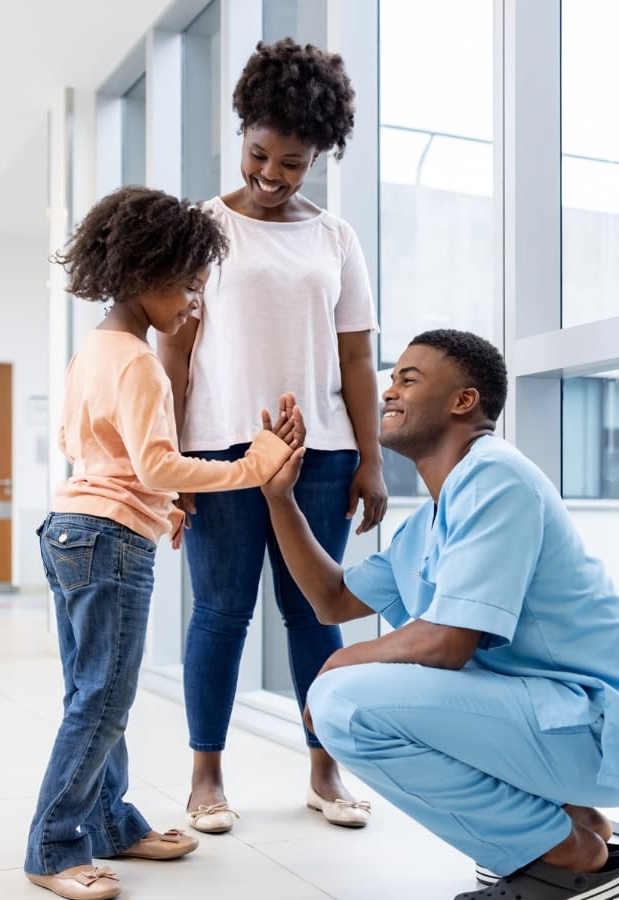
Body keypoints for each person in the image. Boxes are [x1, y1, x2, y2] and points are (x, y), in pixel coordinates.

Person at [259, 330, 619, 900]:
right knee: (364, 688)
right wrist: (279, 498)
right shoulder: (436, 513)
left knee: (345, 704)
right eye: (391, 379)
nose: (389, 391)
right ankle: (573, 827)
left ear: (464, 400)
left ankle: (561, 854)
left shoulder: (496, 476)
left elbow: (447, 644)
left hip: (607, 725)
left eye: (409, 379)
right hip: (564, 720)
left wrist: (336, 663)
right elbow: (332, 599)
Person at [25, 186, 307, 900]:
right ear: (144, 275)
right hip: (111, 542)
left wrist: (156, 505)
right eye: (186, 286)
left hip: (70, 531)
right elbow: (154, 464)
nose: (193, 304)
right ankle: (54, 847)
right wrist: (250, 466)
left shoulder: (93, 351)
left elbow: (76, 443)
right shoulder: (142, 363)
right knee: (103, 700)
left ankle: (113, 823)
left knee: (94, 692)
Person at [159, 37, 386, 834]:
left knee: (311, 613)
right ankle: (205, 778)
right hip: (220, 452)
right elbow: (175, 352)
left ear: (318, 156)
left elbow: (358, 355)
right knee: (220, 612)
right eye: (259, 155)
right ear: (242, 133)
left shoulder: (336, 239)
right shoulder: (200, 227)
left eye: (291, 163)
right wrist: (174, 466)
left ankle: (326, 768)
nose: (270, 175)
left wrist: (371, 460)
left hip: (320, 452)